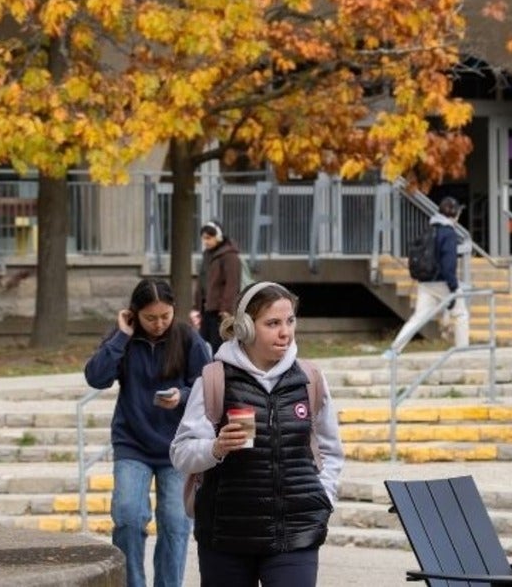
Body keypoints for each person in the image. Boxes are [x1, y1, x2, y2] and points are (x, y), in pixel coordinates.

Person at [170, 281, 345, 586]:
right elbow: (181, 453)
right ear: (246, 328)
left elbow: (331, 449)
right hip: (225, 537)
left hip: (295, 535)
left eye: (290, 321)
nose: (285, 332)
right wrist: (215, 448)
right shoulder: (214, 379)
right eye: (273, 323)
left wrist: (323, 497)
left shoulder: (310, 378)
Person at [84, 278, 211, 587]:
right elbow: (96, 378)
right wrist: (122, 336)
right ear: (134, 314)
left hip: (178, 447)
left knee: (175, 523)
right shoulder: (123, 339)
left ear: (174, 311)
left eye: (165, 316)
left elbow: (208, 384)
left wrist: (181, 395)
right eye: (150, 318)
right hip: (133, 444)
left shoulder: (187, 338)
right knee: (127, 516)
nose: (158, 324)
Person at [384, 196, 469, 358]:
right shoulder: (449, 234)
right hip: (442, 282)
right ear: (455, 214)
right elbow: (448, 264)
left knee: (418, 317)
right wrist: (454, 287)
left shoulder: (430, 229)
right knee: (460, 314)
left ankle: (394, 349)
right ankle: (463, 353)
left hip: (425, 282)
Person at [194, 220, 242, 354]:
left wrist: (226, 309)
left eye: (209, 238)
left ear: (218, 236)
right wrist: (196, 306)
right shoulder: (207, 255)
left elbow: (232, 284)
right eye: (203, 238)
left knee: (219, 346)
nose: (205, 241)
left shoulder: (230, 256)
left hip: (219, 311)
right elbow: (202, 281)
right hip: (206, 308)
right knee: (204, 345)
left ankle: (219, 373)